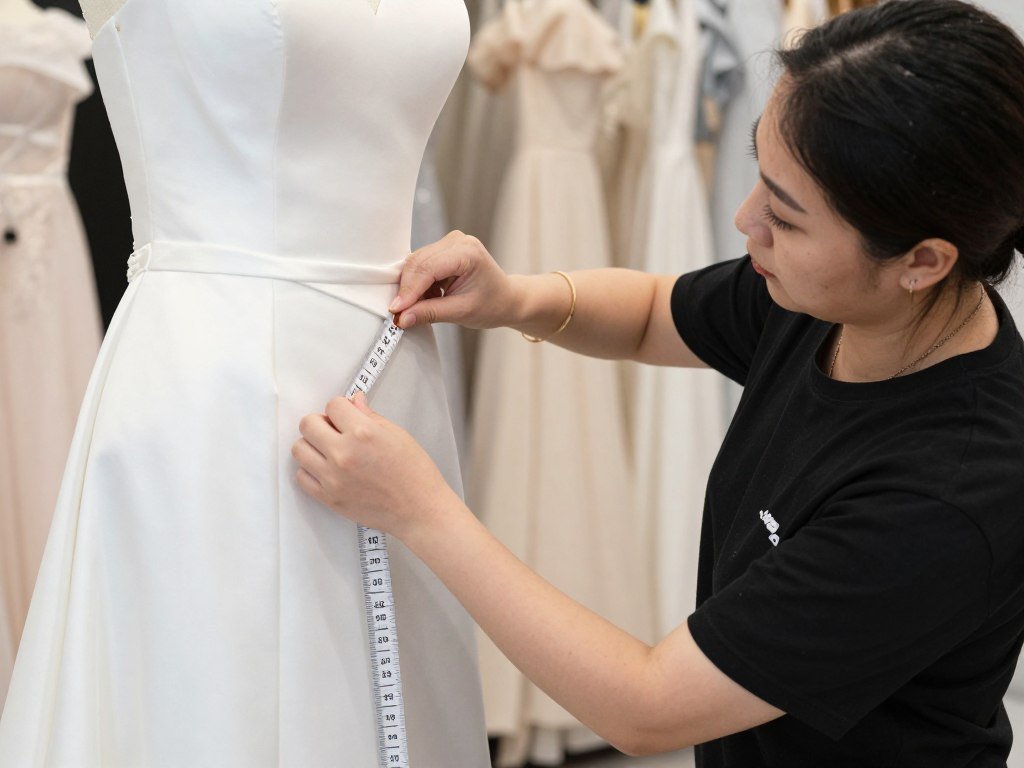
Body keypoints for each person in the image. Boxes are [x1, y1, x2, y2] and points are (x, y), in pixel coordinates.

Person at [292, 1, 1024, 764]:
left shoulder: (946, 497)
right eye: (758, 183)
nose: (746, 222)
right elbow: (650, 314)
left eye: (786, 217)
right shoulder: (839, 304)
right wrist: (515, 298)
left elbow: (647, 709)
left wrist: (421, 512)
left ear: (923, 261)